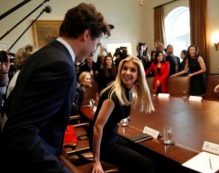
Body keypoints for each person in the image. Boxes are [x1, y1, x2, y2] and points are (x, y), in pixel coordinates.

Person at [0, 3, 110, 173]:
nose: (95, 48)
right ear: (87, 35)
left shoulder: (42, 54)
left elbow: (11, 106)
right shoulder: (61, 65)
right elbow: (21, 133)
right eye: (97, 42)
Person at [89, 56, 155, 173]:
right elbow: (97, 127)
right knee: (146, 163)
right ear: (120, 70)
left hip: (112, 136)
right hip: (103, 144)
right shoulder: (113, 95)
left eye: (133, 70)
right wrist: (96, 160)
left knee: (145, 151)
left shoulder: (128, 90)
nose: (127, 73)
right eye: (125, 68)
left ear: (138, 75)